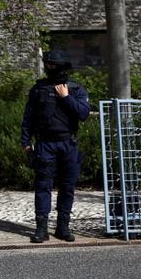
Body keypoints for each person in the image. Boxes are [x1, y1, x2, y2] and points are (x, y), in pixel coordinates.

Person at [22, 48, 90, 243]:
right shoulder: (39, 89)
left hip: (68, 143)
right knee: (43, 185)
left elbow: (83, 114)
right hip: (45, 143)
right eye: (47, 64)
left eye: (53, 65)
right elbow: (28, 117)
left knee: (67, 187)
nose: (49, 68)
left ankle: (63, 227)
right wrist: (25, 142)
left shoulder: (75, 89)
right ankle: (41, 228)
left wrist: (66, 97)